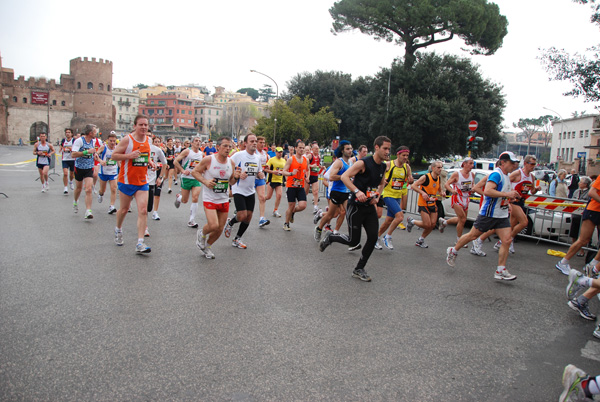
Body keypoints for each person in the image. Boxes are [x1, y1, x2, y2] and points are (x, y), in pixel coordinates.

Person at [319, 136, 391, 282]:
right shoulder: (363, 163)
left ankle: (359, 268)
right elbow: (345, 177)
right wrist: (357, 191)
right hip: (356, 207)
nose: (387, 152)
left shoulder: (383, 166)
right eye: (385, 148)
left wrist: (377, 196)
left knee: (372, 237)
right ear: (376, 147)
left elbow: (382, 182)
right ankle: (331, 237)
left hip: (369, 207)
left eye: (389, 149)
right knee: (353, 241)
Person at [445, 151, 521, 281]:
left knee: (507, 240)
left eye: (515, 163)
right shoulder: (496, 174)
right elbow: (488, 191)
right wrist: (507, 195)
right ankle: (453, 250)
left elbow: (501, 193)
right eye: (511, 162)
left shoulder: (506, 175)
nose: (514, 165)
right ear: (503, 162)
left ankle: (500, 270)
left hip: (501, 215)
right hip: (489, 214)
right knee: (472, 235)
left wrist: (509, 199)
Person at [111, 115, 154, 253]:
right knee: (123, 210)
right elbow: (114, 155)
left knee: (143, 210)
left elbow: (146, 155)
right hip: (126, 181)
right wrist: (128, 156)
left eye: (146, 125)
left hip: (142, 181)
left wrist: (150, 162)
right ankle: (118, 229)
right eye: (141, 125)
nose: (143, 127)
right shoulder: (127, 140)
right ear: (135, 126)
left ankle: (140, 243)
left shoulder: (149, 140)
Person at [193, 136, 241, 259]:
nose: (228, 148)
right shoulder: (209, 160)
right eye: (225, 146)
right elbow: (195, 172)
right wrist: (205, 181)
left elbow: (231, 182)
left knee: (220, 228)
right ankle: (202, 234)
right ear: (218, 147)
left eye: (230, 146)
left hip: (224, 198)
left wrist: (236, 176)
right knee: (213, 225)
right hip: (210, 198)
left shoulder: (231, 162)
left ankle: (207, 247)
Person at [223, 134, 264, 248]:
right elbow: (228, 166)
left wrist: (260, 174)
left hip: (250, 190)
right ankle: (231, 223)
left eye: (256, 141)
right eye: (252, 141)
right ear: (245, 143)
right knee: (242, 215)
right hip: (238, 189)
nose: (254, 143)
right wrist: (238, 174)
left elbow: (259, 172)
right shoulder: (238, 155)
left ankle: (237, 239)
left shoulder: (257, 158)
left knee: (249, 216)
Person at [493, 155, 540, 254]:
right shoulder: (517, 173)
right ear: (526, 163)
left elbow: (532, 191)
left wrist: (536, 189)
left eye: (535, 164)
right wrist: (510, 192)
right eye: (532, 164)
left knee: (511, 225)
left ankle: (501, 242)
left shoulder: (532, 177)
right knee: (524, 222)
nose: (533, 166)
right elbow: (504, 182)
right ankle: (508, 241)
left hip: (522, 201)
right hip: (514, 201)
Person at [556, 175, 600, 275]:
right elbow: (591, 192)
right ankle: (563, 262)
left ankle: (593, 265)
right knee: (583, 240)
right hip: (593, 210)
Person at [314, 140, 352, 242]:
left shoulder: (351, 162)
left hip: (346, 192)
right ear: (342, 150)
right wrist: (343, 177)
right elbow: (331, 176)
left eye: (351, 148)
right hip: (336, 192)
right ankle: (319, 228)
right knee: (331, 215)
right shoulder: (339, 162)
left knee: (348, 214)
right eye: (347, 149)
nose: (350, 151)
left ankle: (351, 238)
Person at [376, 145, 411, 249]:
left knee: (388, 221)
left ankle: (375, 238)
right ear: (398, 155)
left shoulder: (406, 167)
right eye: (403, 155)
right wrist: (383, 180)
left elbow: (410, 177)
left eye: (407, 156)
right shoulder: (389, 164)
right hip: (387, 194)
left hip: (397, 195)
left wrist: (411, 179)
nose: (405, 157)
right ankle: (387, 237)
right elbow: (379, 177)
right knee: (400, 217)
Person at [407, 161, 445, 248]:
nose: (440, 169)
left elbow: (439, 189)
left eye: (441, 167)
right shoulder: (425, 177)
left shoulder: (438, 178)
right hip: (423, 203)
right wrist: (422, 193)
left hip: (432, 203)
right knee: (427, 224)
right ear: (433, 168)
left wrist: (442, 192)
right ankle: (412, 221)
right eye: (438, 167)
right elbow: (413, 186)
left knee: (432, 224)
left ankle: (421, 240)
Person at [441, 157, 475, 246]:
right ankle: (459, 240)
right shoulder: (457, 174)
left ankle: (444, 222)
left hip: (466, 199)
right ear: (464, 164)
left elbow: (473, 185)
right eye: (470, 163)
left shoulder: (472, 174)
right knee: (463, 219)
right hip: (457, 198)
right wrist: (452, 191)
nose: (472, 165)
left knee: (461, 220)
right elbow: (447, 184)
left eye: (473, 163)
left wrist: (473, 189)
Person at [173, 137, 204, 228]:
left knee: (195, 198)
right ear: (192, 143)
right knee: (185, 200)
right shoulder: (187, 151)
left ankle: (191, 220)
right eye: (196, 141)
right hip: (186, 178)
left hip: (196, 178)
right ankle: (179, 198)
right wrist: (182, 170)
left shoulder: (202, 154)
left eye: (199, 141)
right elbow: (175, 161)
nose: (198, 142)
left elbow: (204, 165)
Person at [71, 125, 99, 218]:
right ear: (90, 133)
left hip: (89, 168)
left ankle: (88, 211)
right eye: (95, 132)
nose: (96, 133)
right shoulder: (79, 141)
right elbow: (73, 154)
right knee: (78, 189)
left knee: (88, 189)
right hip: (79, 167)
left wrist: (95, 155)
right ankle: (75, 202)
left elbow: (93, 152)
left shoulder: (94, 141)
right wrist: (86, 152)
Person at [282, 140, 310, 231]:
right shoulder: (291, 159)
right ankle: (286, 223)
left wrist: (307, 177)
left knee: (303, 205)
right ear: (295, 148)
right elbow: (283, 171)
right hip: (291, 186)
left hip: (300, 186)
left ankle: (293, 212)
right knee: (291, 205)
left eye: (303, 148)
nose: (302, 149)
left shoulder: (306, 160)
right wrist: (291, 173)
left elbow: (308, 169)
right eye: (300, 148)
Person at [145, 136, 168, 235]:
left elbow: (165, 163)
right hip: (140, 181)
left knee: (148, 207)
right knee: (143, 207)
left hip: (151, 179)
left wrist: (160, 177)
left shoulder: (157, 150)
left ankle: (153, 211)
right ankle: (144, 227)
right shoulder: (138, 148)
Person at [96, 132, 119, 214]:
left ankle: (111, 206)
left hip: (113, 172)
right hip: (103, 172)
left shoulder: (117, 148)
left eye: (114, 141)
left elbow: (119, 159)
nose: (112, 143)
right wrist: (100, 161)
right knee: (103, 189)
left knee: (114, 188)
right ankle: (100, 194)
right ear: (107, 141)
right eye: (111, 141)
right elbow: (95, 155)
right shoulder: (103, 147)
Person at [570, 177, 592, 256]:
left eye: (581, 182)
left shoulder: (589, 192)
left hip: (584, 216)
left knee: (582, 235)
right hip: (575, 215)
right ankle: (573, 248)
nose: (579, 183)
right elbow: (572, 200)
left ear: (585, 184)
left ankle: (582, 250)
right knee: (573, 233)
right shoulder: (576, 191)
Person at [264, 146, 286, 218]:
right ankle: (262, 200)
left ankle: (275, 210)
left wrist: (286, 179)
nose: (280, 153)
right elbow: (265, 170)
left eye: (281, 152)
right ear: (276, 152)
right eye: (279, 152)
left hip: (279, 180)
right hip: (271, 180)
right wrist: (273, 172)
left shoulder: (284, 161)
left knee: (279, 195)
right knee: (268, 197)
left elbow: (285, 171)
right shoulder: (271, 160)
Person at [255, 136, 271, 228]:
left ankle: (261, 219)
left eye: (263, 142)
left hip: (261, 179)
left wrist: (266, 167)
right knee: (245, 198)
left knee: (262, 198)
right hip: (251, 178)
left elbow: (264, 165)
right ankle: (237, 212)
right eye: (260, 142)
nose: (262, 144)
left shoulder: (265, 154)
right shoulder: (253, 152)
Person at [307, 142, 323, 215]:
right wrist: (311, 166)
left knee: (315, 192)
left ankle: (315, 206)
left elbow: (318, 165)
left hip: (315, 175)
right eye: (316, 148)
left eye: (318, 148)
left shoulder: (319, 156)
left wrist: (321, 167)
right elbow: (304, 164)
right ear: (312, 149)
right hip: (308, 175)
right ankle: (300, 201)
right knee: (306, 192)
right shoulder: (310, 156)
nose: (317, 150)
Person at [60, 128, 75, 194]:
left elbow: (76, 148)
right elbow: (61, 147)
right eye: (66, 132)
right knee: (65, 173)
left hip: (72, 159)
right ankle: (65, 187)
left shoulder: (74, 140)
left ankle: (71, 181)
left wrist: (70, 149)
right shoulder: (63, 140)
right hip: (65, 159)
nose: (67, 133)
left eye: (69, 132)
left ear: (71, 133)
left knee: (71, 174)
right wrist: (62, 148)